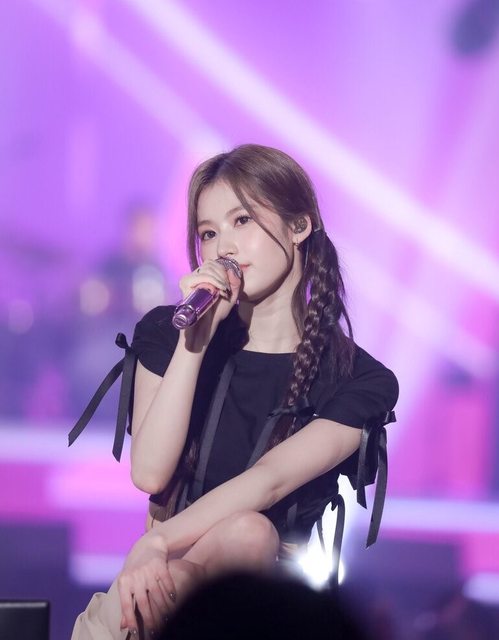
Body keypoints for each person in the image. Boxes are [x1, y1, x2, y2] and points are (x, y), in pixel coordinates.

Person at [72, 143, 399, 639]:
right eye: (208, 233)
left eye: (241, 221)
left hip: (267, 606)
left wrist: (158, 543)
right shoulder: (167, 333)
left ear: (299, 225)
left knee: (250, 531)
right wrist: (193, 344)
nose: (223, 247)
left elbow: (269, 481)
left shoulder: (357, 378)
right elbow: (150, 472)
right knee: (235, 540)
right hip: (152, 591)